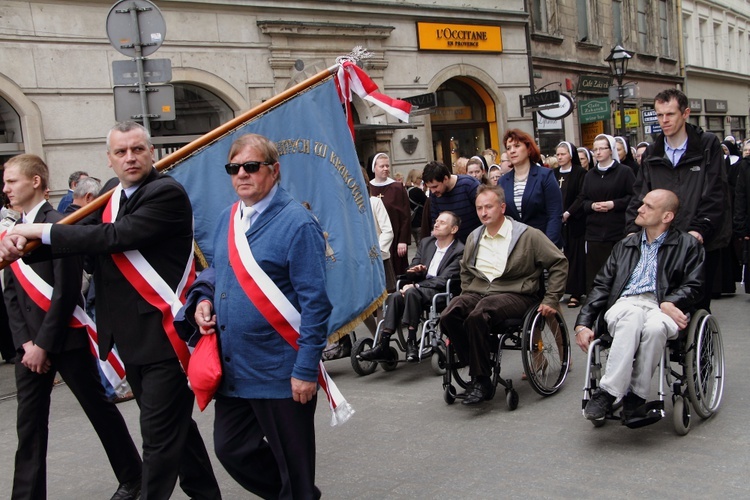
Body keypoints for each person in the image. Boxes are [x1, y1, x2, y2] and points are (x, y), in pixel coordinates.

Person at [0, 122, 221, 500]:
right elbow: (80, 238)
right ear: (110, 159)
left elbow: (113, 237)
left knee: (156, 438)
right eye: (121, 152)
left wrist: (37, 233)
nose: (130, 157)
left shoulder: (166, 193)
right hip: (128, 338)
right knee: (174, 432)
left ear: (152, 152)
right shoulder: (111, 195)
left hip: (165, 337)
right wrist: (20, 245)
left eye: (137, 149)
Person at [187, 133, 333, 498]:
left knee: (294, 466)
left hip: (281, 369)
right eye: (234, 168)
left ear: (274, 170)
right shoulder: (228, 218)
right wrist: (203, 299)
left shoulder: (298, 224)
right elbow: (216, 270)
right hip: (237, 367)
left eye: (251, 166)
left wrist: (304, 370)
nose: (242, 174)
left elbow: (316, 303)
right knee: (232, 449)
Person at [1, 154, 142, 499]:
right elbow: (11, 293)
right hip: (29, 346)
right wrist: (25, 343)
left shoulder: (61, 223)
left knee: (100, 413)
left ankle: (133, 477)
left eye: (11, 181)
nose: (5, 189)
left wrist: (43, 344)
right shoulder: (11, 230)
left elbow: (66, 292)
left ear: (35, 181)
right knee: (29, 427)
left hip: (65, 339)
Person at [574, 189, 704, 422]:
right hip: (626, 303)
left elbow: (695, 285)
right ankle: (609, 392)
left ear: (667, 217)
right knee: (632, 316)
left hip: (663, 305)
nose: (640, 209)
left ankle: (636, 397)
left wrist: (670, 302)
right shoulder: (626, 245)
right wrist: (583, 323)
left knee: (656, 328)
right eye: (641, 204)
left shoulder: (688, 245)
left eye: (648, 206)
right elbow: (602, 285)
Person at [439, 185, 567, 405]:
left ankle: (481, 379)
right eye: (479, 208)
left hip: (515, 292)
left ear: (502, 207)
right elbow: (466, 269)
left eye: (489, 206)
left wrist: (551, 298)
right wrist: (467, 292)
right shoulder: (474, 237)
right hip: (479, 290)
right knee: (449, 313)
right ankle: (477, 361)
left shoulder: (528, 235)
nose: (483, 212)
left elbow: (558, 263)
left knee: (480, 314)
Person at [626, 88, 727, 312]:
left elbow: (715, 192)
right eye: (660, 114)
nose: (664, 120)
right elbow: (640, 195)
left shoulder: (707, 145)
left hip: (699, 240)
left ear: (685, 113)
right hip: (662, 241)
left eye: (670, 114)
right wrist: (632, 229)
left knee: (695, 305)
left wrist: (700, 230)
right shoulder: (652, 152)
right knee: (659, 306)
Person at [359, 211, 464, 362]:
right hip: (419, 288)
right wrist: (415, 271)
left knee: (411, 292)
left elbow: (445, 279)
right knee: (395, 296)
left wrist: (415, 285)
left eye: (442, 222)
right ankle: (384, 343)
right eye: (436, 221)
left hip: (441, 292)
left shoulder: (459, 250)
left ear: (453, 229)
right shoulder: (427, 243)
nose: (436, 224)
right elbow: (412, 266)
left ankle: (412, 341)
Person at [581, 134, 635, 292]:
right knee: (596, 274)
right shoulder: (590, 175)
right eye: (594, 149)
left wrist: (614, 204)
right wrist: (592, 206)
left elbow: (634, 197)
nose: (597, 152)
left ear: (611, 150)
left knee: (617, 272)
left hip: (617, 229)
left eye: (601, 148)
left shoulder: (624, 172)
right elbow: (583, 200)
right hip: (595, 232)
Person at [498, 129, 563, 247]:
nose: (512, 151)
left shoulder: (545, 175)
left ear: (528, 149)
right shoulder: (503, 181)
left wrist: (548, 246)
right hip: (515, 245)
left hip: (542, 242)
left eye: (517, 146)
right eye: (508, 148)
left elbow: (554, 214)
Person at [554, 141, 587, 307]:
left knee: (575, 257)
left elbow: (582, 196)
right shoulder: (553, 173)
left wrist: (568, 213)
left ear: (570, 155)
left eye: (563, 154)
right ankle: (559, 290)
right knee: (559, 257)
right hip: (557, 221)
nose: (559, 157)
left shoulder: (579, 173)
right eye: (558, 154)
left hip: (574, 221)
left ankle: (575, 292)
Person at [368, 153, 411, 275]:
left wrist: (403, 240)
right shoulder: (369, 187)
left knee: (397, 270)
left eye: (387, 166)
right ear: (374, 168)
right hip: (376, 237)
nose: (386, 169)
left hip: (396, 237)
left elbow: (405, 216)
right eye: (382, 166)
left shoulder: (397, 187)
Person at [421, 161, 481, 243]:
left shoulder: (469, 185)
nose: (433, 191)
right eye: (430, 188)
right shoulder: (434, 193)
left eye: (435, 186)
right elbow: (435, 220)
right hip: (452, 247)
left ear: (445, 179)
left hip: (475, 241)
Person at [405, 168, 427, 246]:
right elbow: (427, 202)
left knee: (418, 244)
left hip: (411, 221)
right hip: (419, 221)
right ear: (414, 178)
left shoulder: (405, 189)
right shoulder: (417, 191)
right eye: (419, 178)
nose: (421, 180)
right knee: (422, 245)